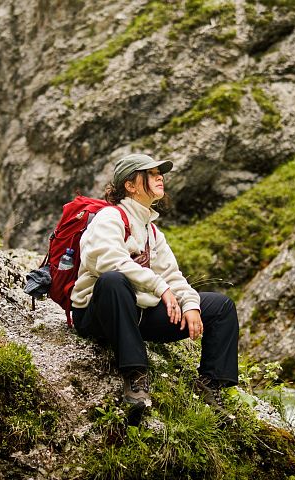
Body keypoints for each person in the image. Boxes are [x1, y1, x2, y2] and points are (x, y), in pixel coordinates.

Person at [70, 153, 239, 412]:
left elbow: (172, 276)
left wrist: (191, 304)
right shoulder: (110, 218)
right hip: (98, 315)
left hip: (139, 315)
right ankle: (135, 376)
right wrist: (161, 289)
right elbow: (108, 262)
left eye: (160, 172)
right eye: (150, 173)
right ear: (130, 185)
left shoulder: (152, 230)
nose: (159, 176)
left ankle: (209, 385)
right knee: (113, 280)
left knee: (221, 307)